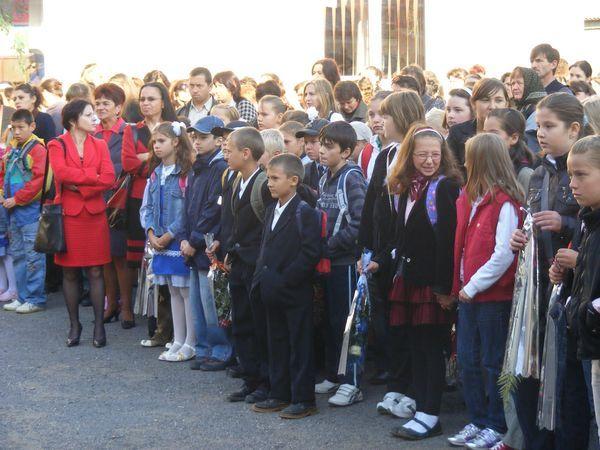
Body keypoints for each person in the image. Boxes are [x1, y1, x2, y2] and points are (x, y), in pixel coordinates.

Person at [509, 93, 585, 450]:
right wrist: (521, 237)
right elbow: (531, 218)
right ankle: (535, 442)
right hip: (537, 288)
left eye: (548, 126)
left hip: (572, 290)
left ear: (573, 129)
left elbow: (588, 225)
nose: (540, 133)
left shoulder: (585, 169)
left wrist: (564, 222)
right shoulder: (539, 173)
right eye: (537, 125)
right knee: (529, 373)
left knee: (565, 381)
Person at [380, 123, 461, 440]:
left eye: (435, 155)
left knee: (430, 348)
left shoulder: (444, 187)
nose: (429, 160)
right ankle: (421, 404)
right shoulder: (407, 186)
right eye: (422, 154)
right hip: (410, 278)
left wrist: (444, 289)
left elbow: (447, 242)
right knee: (415, 346)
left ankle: (430, 414)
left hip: (432, 284)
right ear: (409, 156)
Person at [448, 133, 523, 449]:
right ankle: (477, 418)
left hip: (492, 297)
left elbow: (504, 253)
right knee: (467, 359)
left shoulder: (504, 203)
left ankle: (496, 422)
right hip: (469, 295)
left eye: (469, 157)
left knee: (492, 361)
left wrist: (473, 285)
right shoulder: (470, 196)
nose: (464, 163)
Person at [360, 91, 425, 415]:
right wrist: (368, 247)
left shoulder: (419, 153)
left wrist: (392, 251)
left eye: (386, 115)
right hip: (384, 254)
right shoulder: (385, 155)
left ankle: (414, 389)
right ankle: (396, 385)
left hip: (409, 253)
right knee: (391, 323)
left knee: (413, 325)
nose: (379, 121)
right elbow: (374, 207)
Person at [251, 153, 321, 419]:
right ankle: (279, 393)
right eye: (268, 178)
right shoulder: (271, 209)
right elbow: (266, 247)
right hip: (271, 290)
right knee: (277, 342)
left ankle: (303, 398)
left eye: (274, 178)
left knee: (299, 345)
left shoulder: (305, 211)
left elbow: (310, 252)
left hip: (293, 290)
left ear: (293, 180)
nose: (269, 183)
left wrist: (286, 278)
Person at [47, 99, 116, 348]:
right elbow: (62, 173)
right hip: (69, 215)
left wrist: (83, 186)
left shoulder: (100, 145)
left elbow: (109, 177)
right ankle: (75, 323)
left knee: (96, 270)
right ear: (74, 120)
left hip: (95, 213)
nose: (95, 119)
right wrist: (92, 178)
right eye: (89, 115)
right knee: (69, 272)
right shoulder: (57, 144)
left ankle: (99, 325)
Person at [314, 121, 367, 406]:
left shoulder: (351, 178)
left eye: (329, 146)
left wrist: (329, 246)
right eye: (321, 144)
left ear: (346, 152)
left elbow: (360, 224)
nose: (322, 151)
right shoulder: (324, 177)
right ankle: (336, 374)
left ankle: (353, 381)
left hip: (346, 262)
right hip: (328, 262)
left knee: (350, 323)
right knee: (333, 322)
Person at [122, 82, 177, 344]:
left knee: (172, 267)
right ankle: (156, 326)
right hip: (142, 200)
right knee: (148, 264)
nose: (145, 103)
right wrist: (152, 156)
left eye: (151, 98)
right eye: (142, 99)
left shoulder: (176, 127)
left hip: (172, 201)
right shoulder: (133, 130)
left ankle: (174, 330)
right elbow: (128, 164)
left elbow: (180, 159)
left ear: (163, 101)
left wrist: (143, 157)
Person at [223, 127, 274, 403]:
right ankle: (250, 377)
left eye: (229, 149)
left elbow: (268, 228)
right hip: (239, 262)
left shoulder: (264, 184)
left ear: (246, 153)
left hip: (257, 263)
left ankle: (266, 382)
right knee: (241, 321)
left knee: (259, 324)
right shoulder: (234, 181)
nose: (225, 153)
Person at [181, 116, 232, 370]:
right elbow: (188, 205)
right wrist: (184, 237)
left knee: (212, 304)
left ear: (218, 139)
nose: (197, 142)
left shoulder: (220, 167)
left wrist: (194, 239)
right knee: (198, 305)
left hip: (208, 248)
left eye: (203, 137)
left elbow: (213, 209)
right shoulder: (197, 166)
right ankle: (204, 348)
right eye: (196, 137)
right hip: (193, 246)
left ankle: (220, 350)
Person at [141, 121, 195, 361]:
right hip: (160, 240)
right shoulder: (155, 174)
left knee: (185, 290)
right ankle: (178, 338)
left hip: (176, 240)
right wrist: (151, 232)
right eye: (154, 142)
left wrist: (169, 234)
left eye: (161, 141)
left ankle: (190, 341)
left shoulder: (184, 174)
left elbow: (187, 210)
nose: (156, 146)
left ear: (175, 142)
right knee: (172, 290)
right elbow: (147, 206)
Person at [559, 136, 600, 442]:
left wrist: (580, 262)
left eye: (582, 174)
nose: (573, 183)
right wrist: (563, 274)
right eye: (571, 174)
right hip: (588, 337)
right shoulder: (586, 217)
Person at [93, 83, 133, 327]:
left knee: (120, 256)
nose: (100, 107)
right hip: (96, 198)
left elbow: (128, 165)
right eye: (97, 103)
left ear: (119, 108)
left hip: (120, 200)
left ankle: (127, 306)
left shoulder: (128, 131)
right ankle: (111, 304)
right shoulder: (92, 133)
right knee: (103, 256)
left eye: (106, 103)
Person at [0, 109, 47, 313]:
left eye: (21, 127)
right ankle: (22, 295)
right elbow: (4, 174)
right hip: (13, 211)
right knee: (18, 254)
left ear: (32, 126)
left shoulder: (37, 149)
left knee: (33, 256)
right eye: (14, 127)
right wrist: (2, 193)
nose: (17, 132)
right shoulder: (14, 149)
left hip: (29, 212)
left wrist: (16, 199)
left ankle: (35, 298)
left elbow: (39, 181)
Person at [447, 78, 509, 167]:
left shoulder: (513, 133)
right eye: (485, 100)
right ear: (473, 103)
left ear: (506, 104)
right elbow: (451, 170)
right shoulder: (457, 132)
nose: (492, 106)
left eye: (498, 100)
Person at [484, 108, 536, 193]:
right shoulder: (486, 167)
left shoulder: (525, 175)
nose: (486, 138)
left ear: (514, 138)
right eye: (484, 133)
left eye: (493, 133)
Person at [509, 67, 546, 153]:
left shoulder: (539, 109)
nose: (515, 87)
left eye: (519, 83)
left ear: (530, 84)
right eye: (512, 84)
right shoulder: (522, 108)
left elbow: (530, 144)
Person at [359, 91, 393, 182]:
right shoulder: (367, 152)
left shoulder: (404, 148)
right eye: (371, 115)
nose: (376, 120)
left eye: (382, 113)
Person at [296, 118, 329, 193]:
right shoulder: (305, 170)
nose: (308, 147)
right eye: (306, 142)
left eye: (313, 142)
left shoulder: (338, 168)